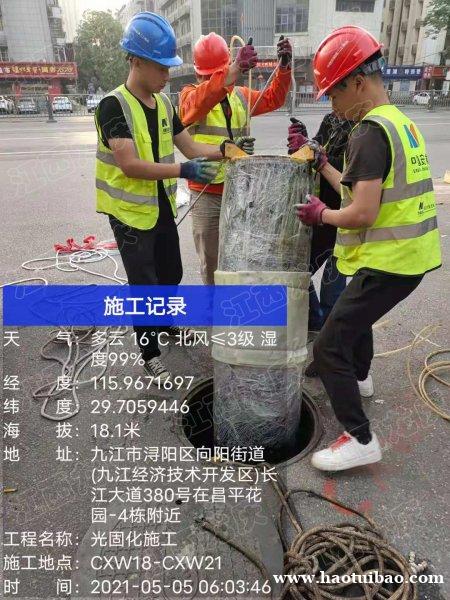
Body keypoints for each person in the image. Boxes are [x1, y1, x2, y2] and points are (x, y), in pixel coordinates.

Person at [295, 26, 441, 471]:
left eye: (334, 93)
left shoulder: (367, 133)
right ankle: (359, 378)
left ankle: (359, 438)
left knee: (328, 347)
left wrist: (321, 214)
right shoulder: (399, 123)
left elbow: (361, 211)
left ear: (357, 82)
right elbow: (360, 186)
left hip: (389, 262)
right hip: (407, 257)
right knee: (356, 320)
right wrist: (325, 164)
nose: (331, 105)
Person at [95, 12, 234, 382]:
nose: (167, 75)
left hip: (160, 209)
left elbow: (189, 146)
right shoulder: (113, 106)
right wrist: (183, 171)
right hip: (128, 215)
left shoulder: (165, 105)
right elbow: (129, 164)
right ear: (136, 61)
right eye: (161, 67)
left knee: (171, 271)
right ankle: (150, 354)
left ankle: (166, 322)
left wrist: (224, 149)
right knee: (144, 284)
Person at [179, 33, 293, 284]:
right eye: (208, 76)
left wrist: (284, 69)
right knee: (211, 260)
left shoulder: (240, 96)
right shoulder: (189, 96)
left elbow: (273, 97)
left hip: (239, 188)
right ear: (198, 75)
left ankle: (232, 300)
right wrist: (233, 71)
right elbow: (200, 102)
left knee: (240, 255)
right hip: (205, 192)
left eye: (216, 74)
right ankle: (212, 305)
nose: (212, 80)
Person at [288, 113, 351, 338]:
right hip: (321, 216)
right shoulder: (332, 119)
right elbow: (315, 152)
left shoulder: (364, 129)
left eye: (335, 97)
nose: (333, 104)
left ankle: (330, 339)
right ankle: (316, 323)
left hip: (345, 221)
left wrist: (321, 158)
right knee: (298, 271)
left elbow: (350, 178)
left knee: (332, 289)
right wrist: (304, 145)